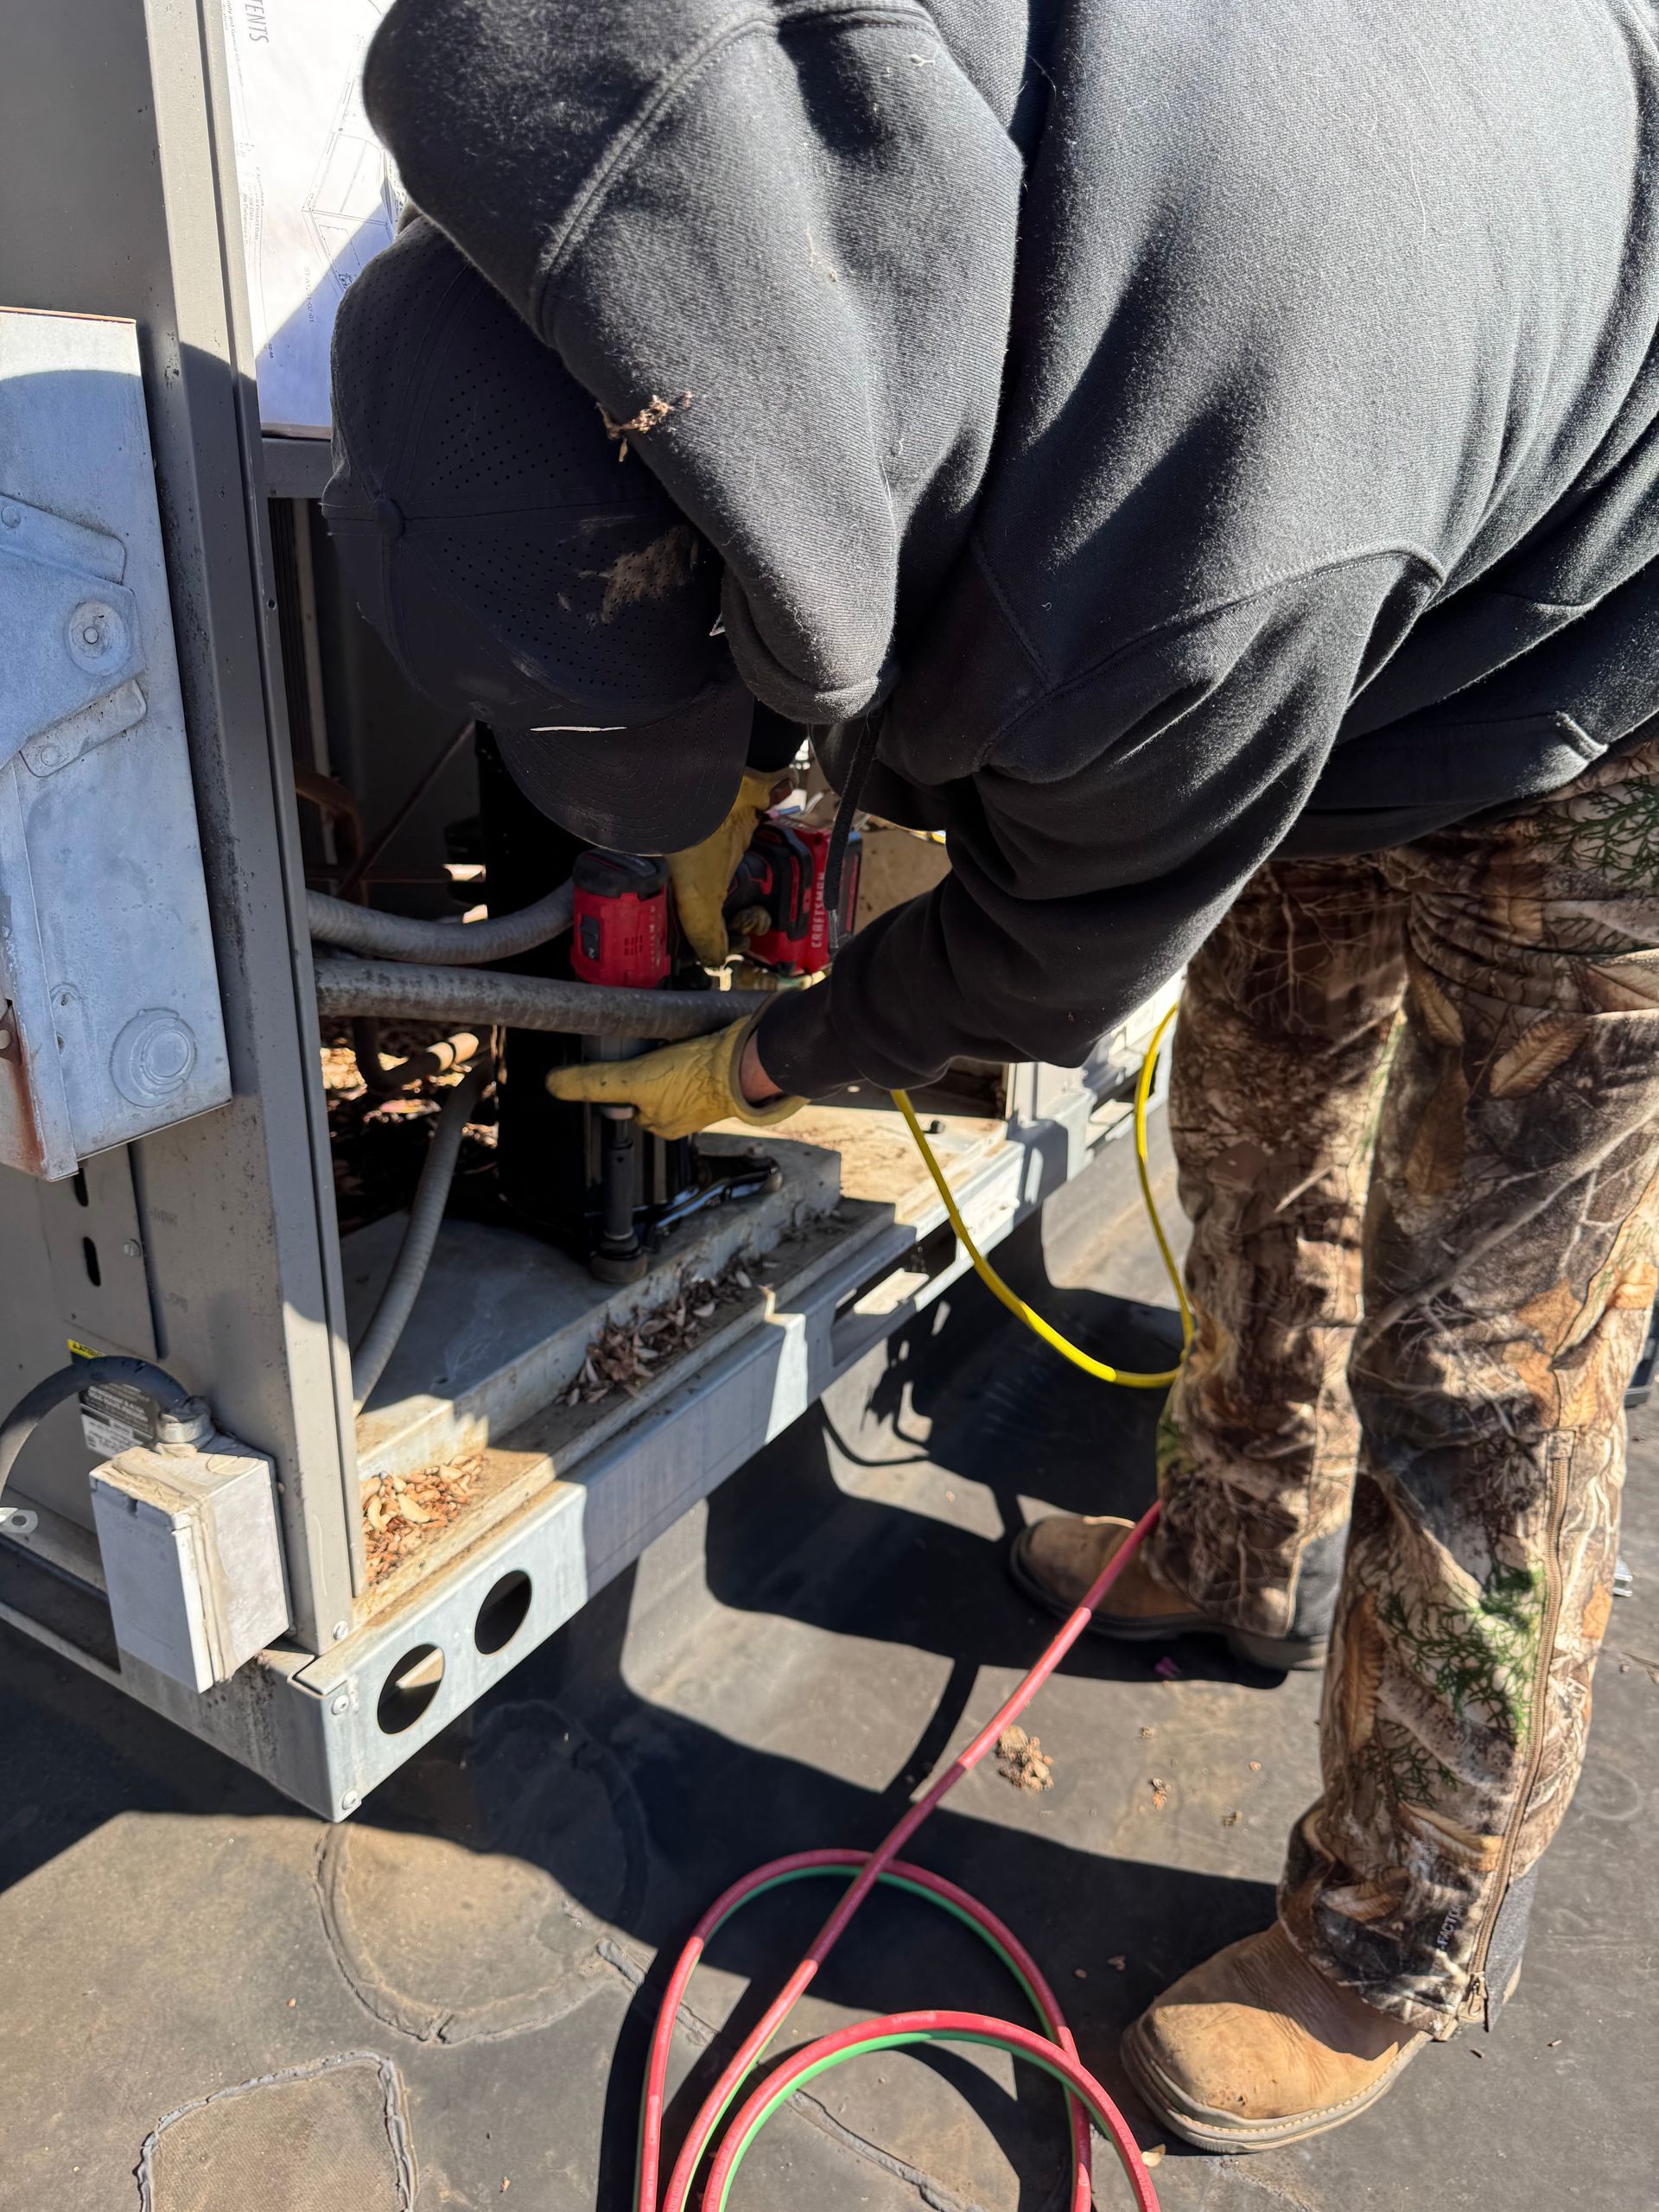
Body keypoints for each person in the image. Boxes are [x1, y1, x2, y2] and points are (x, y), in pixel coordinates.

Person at [332, 0, 1659, 2152]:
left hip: (1607, 631)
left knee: (1481, 1348)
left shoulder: (1141, 585)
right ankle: (1241, 1542)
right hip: (1356, 510)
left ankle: (1402, 1926)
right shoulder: (666, 158)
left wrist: (776, 1048)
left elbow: (1051, 952)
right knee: (1253, 1113)